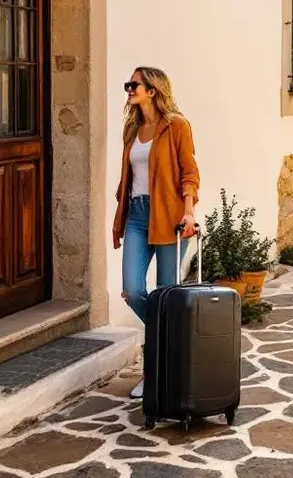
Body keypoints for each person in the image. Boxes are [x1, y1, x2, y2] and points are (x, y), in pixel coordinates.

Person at [113, 67, 200, 399]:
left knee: (166, 294)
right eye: (129, 85)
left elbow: (189, 170)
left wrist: (188, 209)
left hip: (169, 216)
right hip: (136, 214)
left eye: (134, 85)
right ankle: (171, 339)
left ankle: (155, 374)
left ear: (153, 90)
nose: (129, 89)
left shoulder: (177, 126)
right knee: (133, 290)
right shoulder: (132, 128)